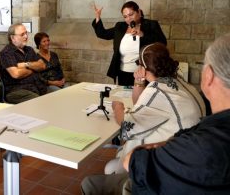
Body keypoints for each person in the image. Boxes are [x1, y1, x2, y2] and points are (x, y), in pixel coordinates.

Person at [80, 43, 207, 194]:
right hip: (187, 154)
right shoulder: (178, 81)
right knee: (112, 166)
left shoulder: (157, 90)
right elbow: (138, 103)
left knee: (110, 168)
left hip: (165, 162)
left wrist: (117, 108)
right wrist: (139, 80)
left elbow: (127, 126)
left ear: (143, 67)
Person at [120, 34, 230, 194]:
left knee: (102, 176)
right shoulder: (181, 83)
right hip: (179, 158)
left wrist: (118, 109)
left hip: (166, 168)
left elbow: (128, 130)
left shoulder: (158, 90)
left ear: (208, 76)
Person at [91, 1, 167, 86]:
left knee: (141, 98)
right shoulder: (120, 26)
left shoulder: (151, 25)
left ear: (139, 12)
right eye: (125, 16)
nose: (128, 18)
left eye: (131, 14)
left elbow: (162, 43)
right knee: (124, 96)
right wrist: (98, 17)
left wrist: (142, 34)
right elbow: (102, 34)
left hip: (144, 72)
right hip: (123, 72)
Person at [0, 23, 47, 104]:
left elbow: (42, 65)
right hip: (17, 91)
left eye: (26, 33)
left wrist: (26, 64)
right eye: (22, 34)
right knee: (41, 103)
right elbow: (16, 74)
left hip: (37, 87)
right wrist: (34, 69)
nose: (26, 36)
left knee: (57, 97)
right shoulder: (6, 53)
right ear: (13, 37)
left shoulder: (29, 50)